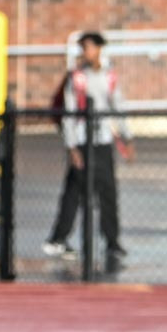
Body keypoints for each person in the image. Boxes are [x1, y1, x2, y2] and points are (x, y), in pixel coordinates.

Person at [43, 31, 135, 263]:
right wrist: (71, 146)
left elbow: (118, 106)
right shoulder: (77, 77)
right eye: (83, 48)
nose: (86, 53)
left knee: (107, 192)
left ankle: (112, 241)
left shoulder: (108, 76)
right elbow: (69, 114)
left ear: (99, 49)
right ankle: (58, 238)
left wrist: (127, 137)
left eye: (90, 47)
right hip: (82, 140)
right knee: (75, 192)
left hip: (102, 140)